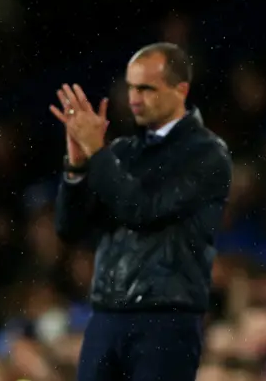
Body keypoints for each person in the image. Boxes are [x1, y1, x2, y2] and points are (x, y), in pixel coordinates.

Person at [49, 42, 232, 381]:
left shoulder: (206, 154)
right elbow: (68, 229)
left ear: (181, 91)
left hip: (164, 322)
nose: (133, 97)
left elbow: (142, 210)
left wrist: (96, 152)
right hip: (105, 318)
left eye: (146, 88)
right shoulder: (119, 152)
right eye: (131, 87)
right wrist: (76, 167)